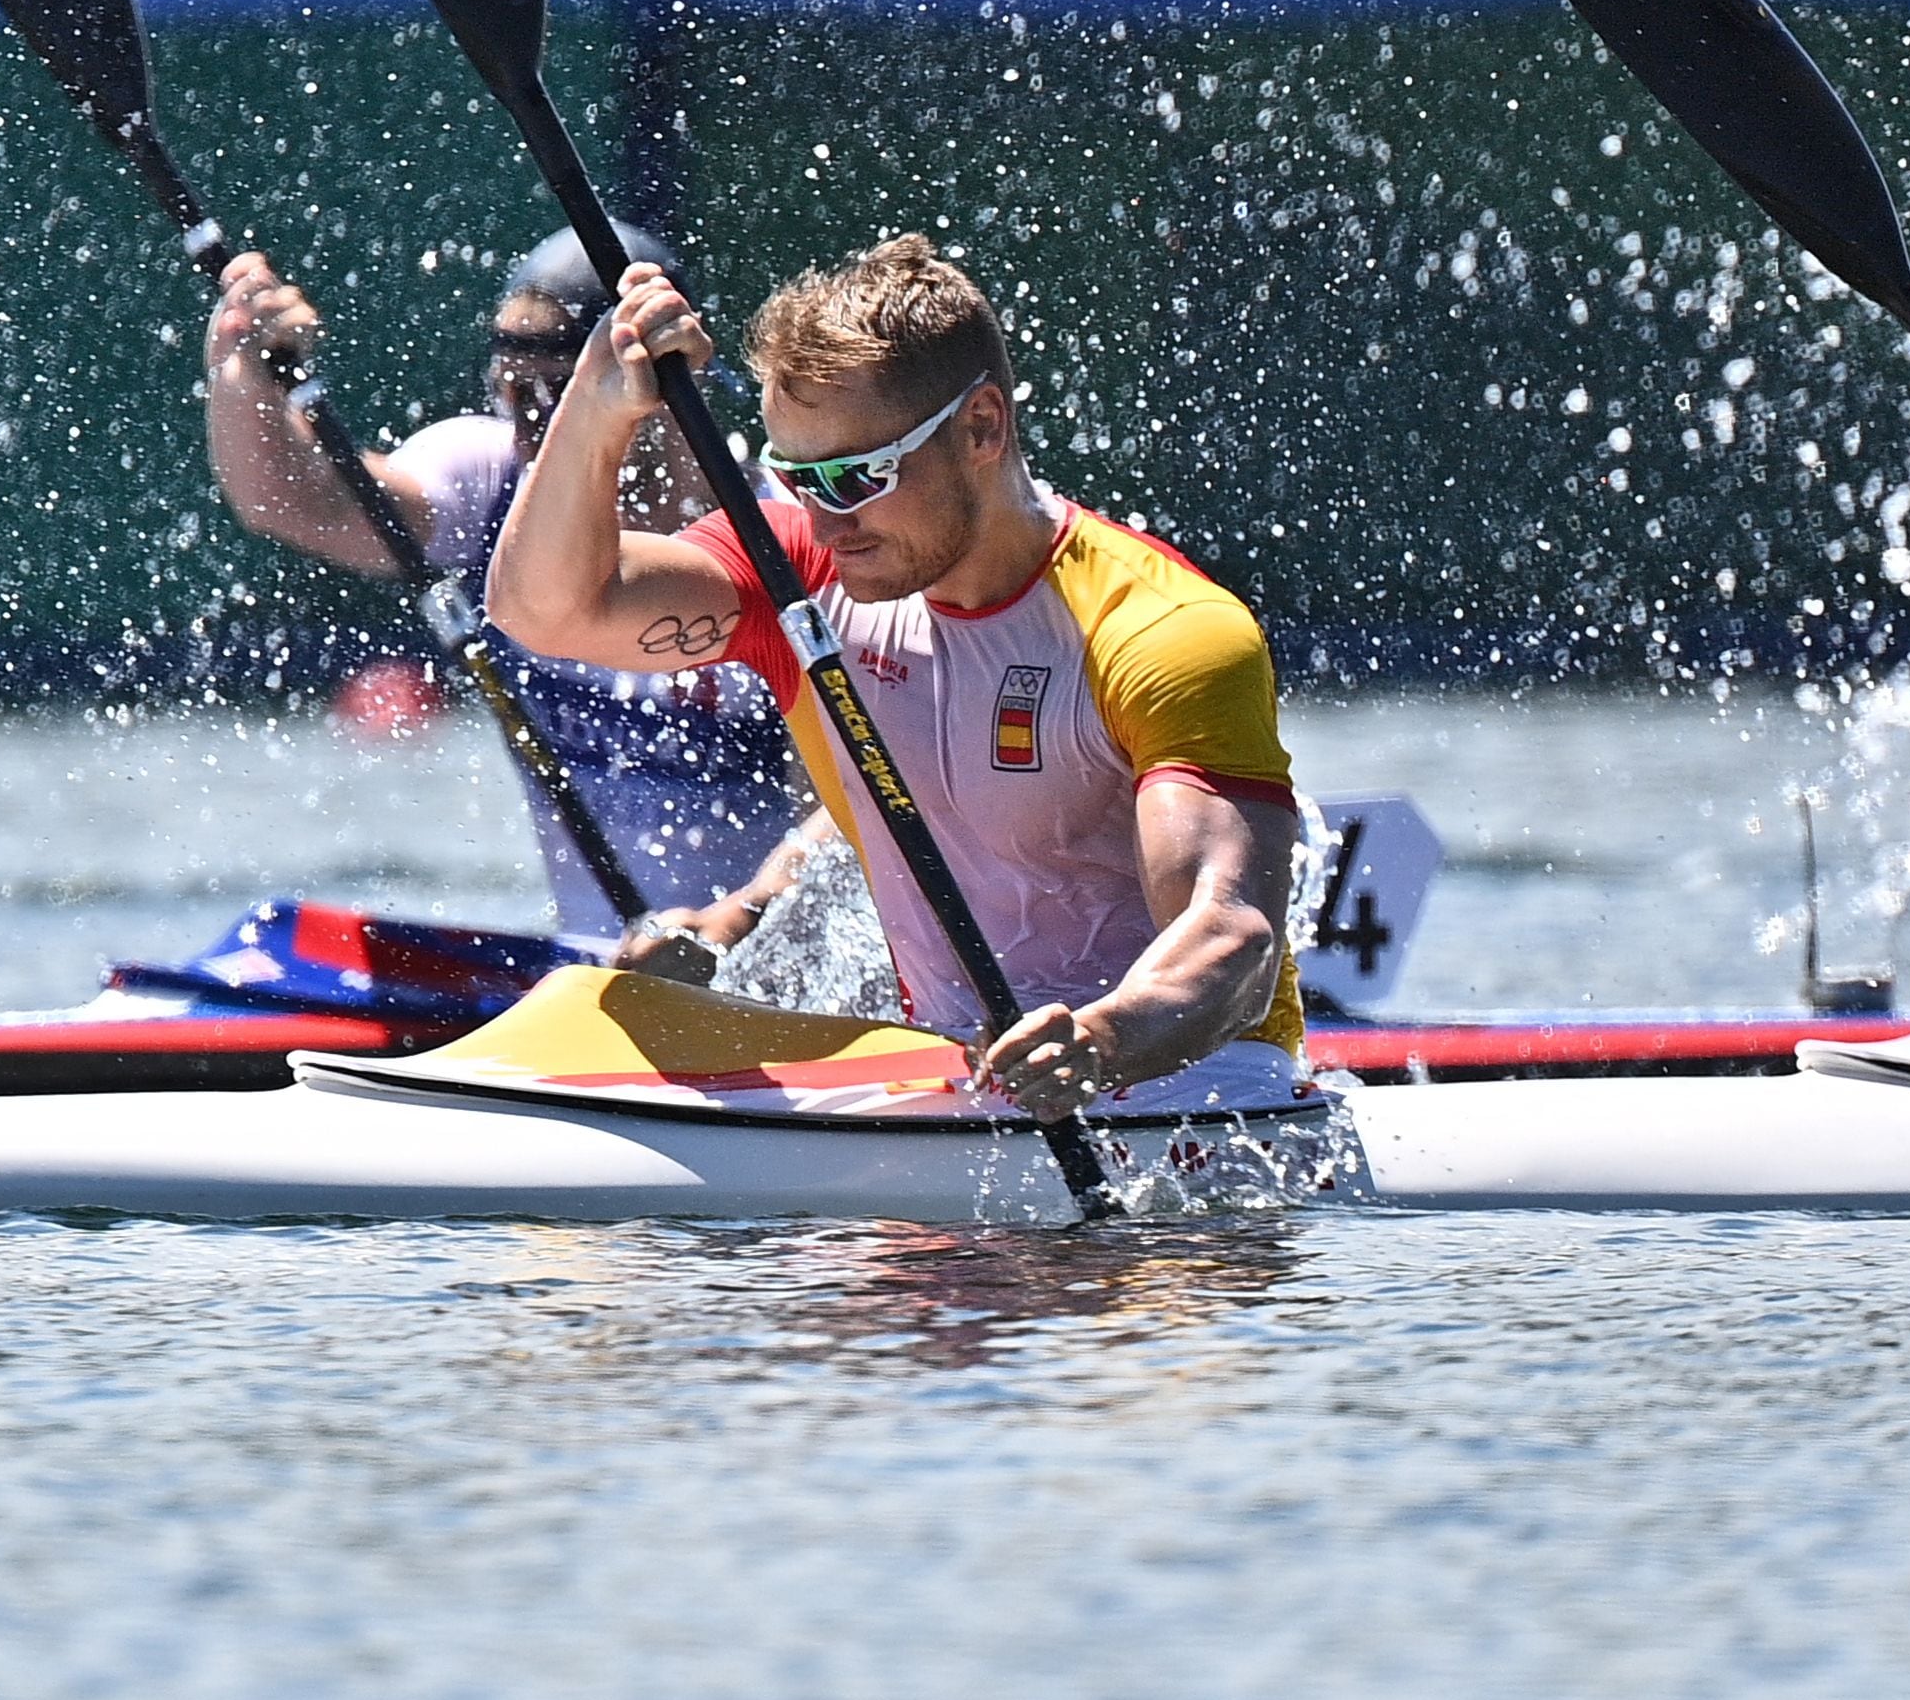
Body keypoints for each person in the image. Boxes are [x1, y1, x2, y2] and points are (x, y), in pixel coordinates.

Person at [483, 231, 1305, 1117]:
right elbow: (545, 612)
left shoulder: (1159, 628)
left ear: (982, 426)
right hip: (961, 1091)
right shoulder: (794, 572)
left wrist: (1100, 1042)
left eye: (856, 476)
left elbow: (1234, 938)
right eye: (797, 476)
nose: (824, 518)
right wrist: (598, 409)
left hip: (1200, 1104)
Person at [206, 223, 811, 951]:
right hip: (601, 962)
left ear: (663, 380)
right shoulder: (494, 486)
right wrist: (245, 370)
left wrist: (734, 921)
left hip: (778, 968)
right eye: (506, 387)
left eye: (550, 390)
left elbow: (857, 817)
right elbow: (297, 501)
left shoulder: (787, 539)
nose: (523, 422)